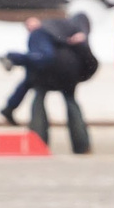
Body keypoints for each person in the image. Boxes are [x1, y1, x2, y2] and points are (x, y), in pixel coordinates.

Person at [26, 10, 95, 154]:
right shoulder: (78, 32)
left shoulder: (45, 27)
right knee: (70, 100)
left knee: (39, 98)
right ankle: (82, 145)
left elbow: (34, 55)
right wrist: (79, 75)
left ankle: (38, 143)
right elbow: (90, 61)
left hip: (45, 68)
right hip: (68, 70)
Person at [0, 15, 47, 125]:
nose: (31, 27)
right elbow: (36, 56)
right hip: (37, 69)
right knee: (32, 92)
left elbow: (39, 56)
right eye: (29, 25)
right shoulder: (36, 35)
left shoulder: (38, 34)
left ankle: (9, 108)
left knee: (26, 88)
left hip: (38, 68)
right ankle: (38, 125)